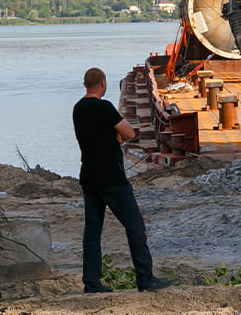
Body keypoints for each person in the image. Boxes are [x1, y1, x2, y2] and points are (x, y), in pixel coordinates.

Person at [73, 67, 171, 294]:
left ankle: (91, 283)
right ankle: (145, 280)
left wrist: (109, 136)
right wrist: (115, 135)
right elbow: (129, 133)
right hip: (112, 178)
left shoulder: (78, 109)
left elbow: (94, 136)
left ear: (86, 84)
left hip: (89, 178)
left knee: (92, 233)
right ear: (103, 84)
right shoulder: (104, 107)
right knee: (135, 226)